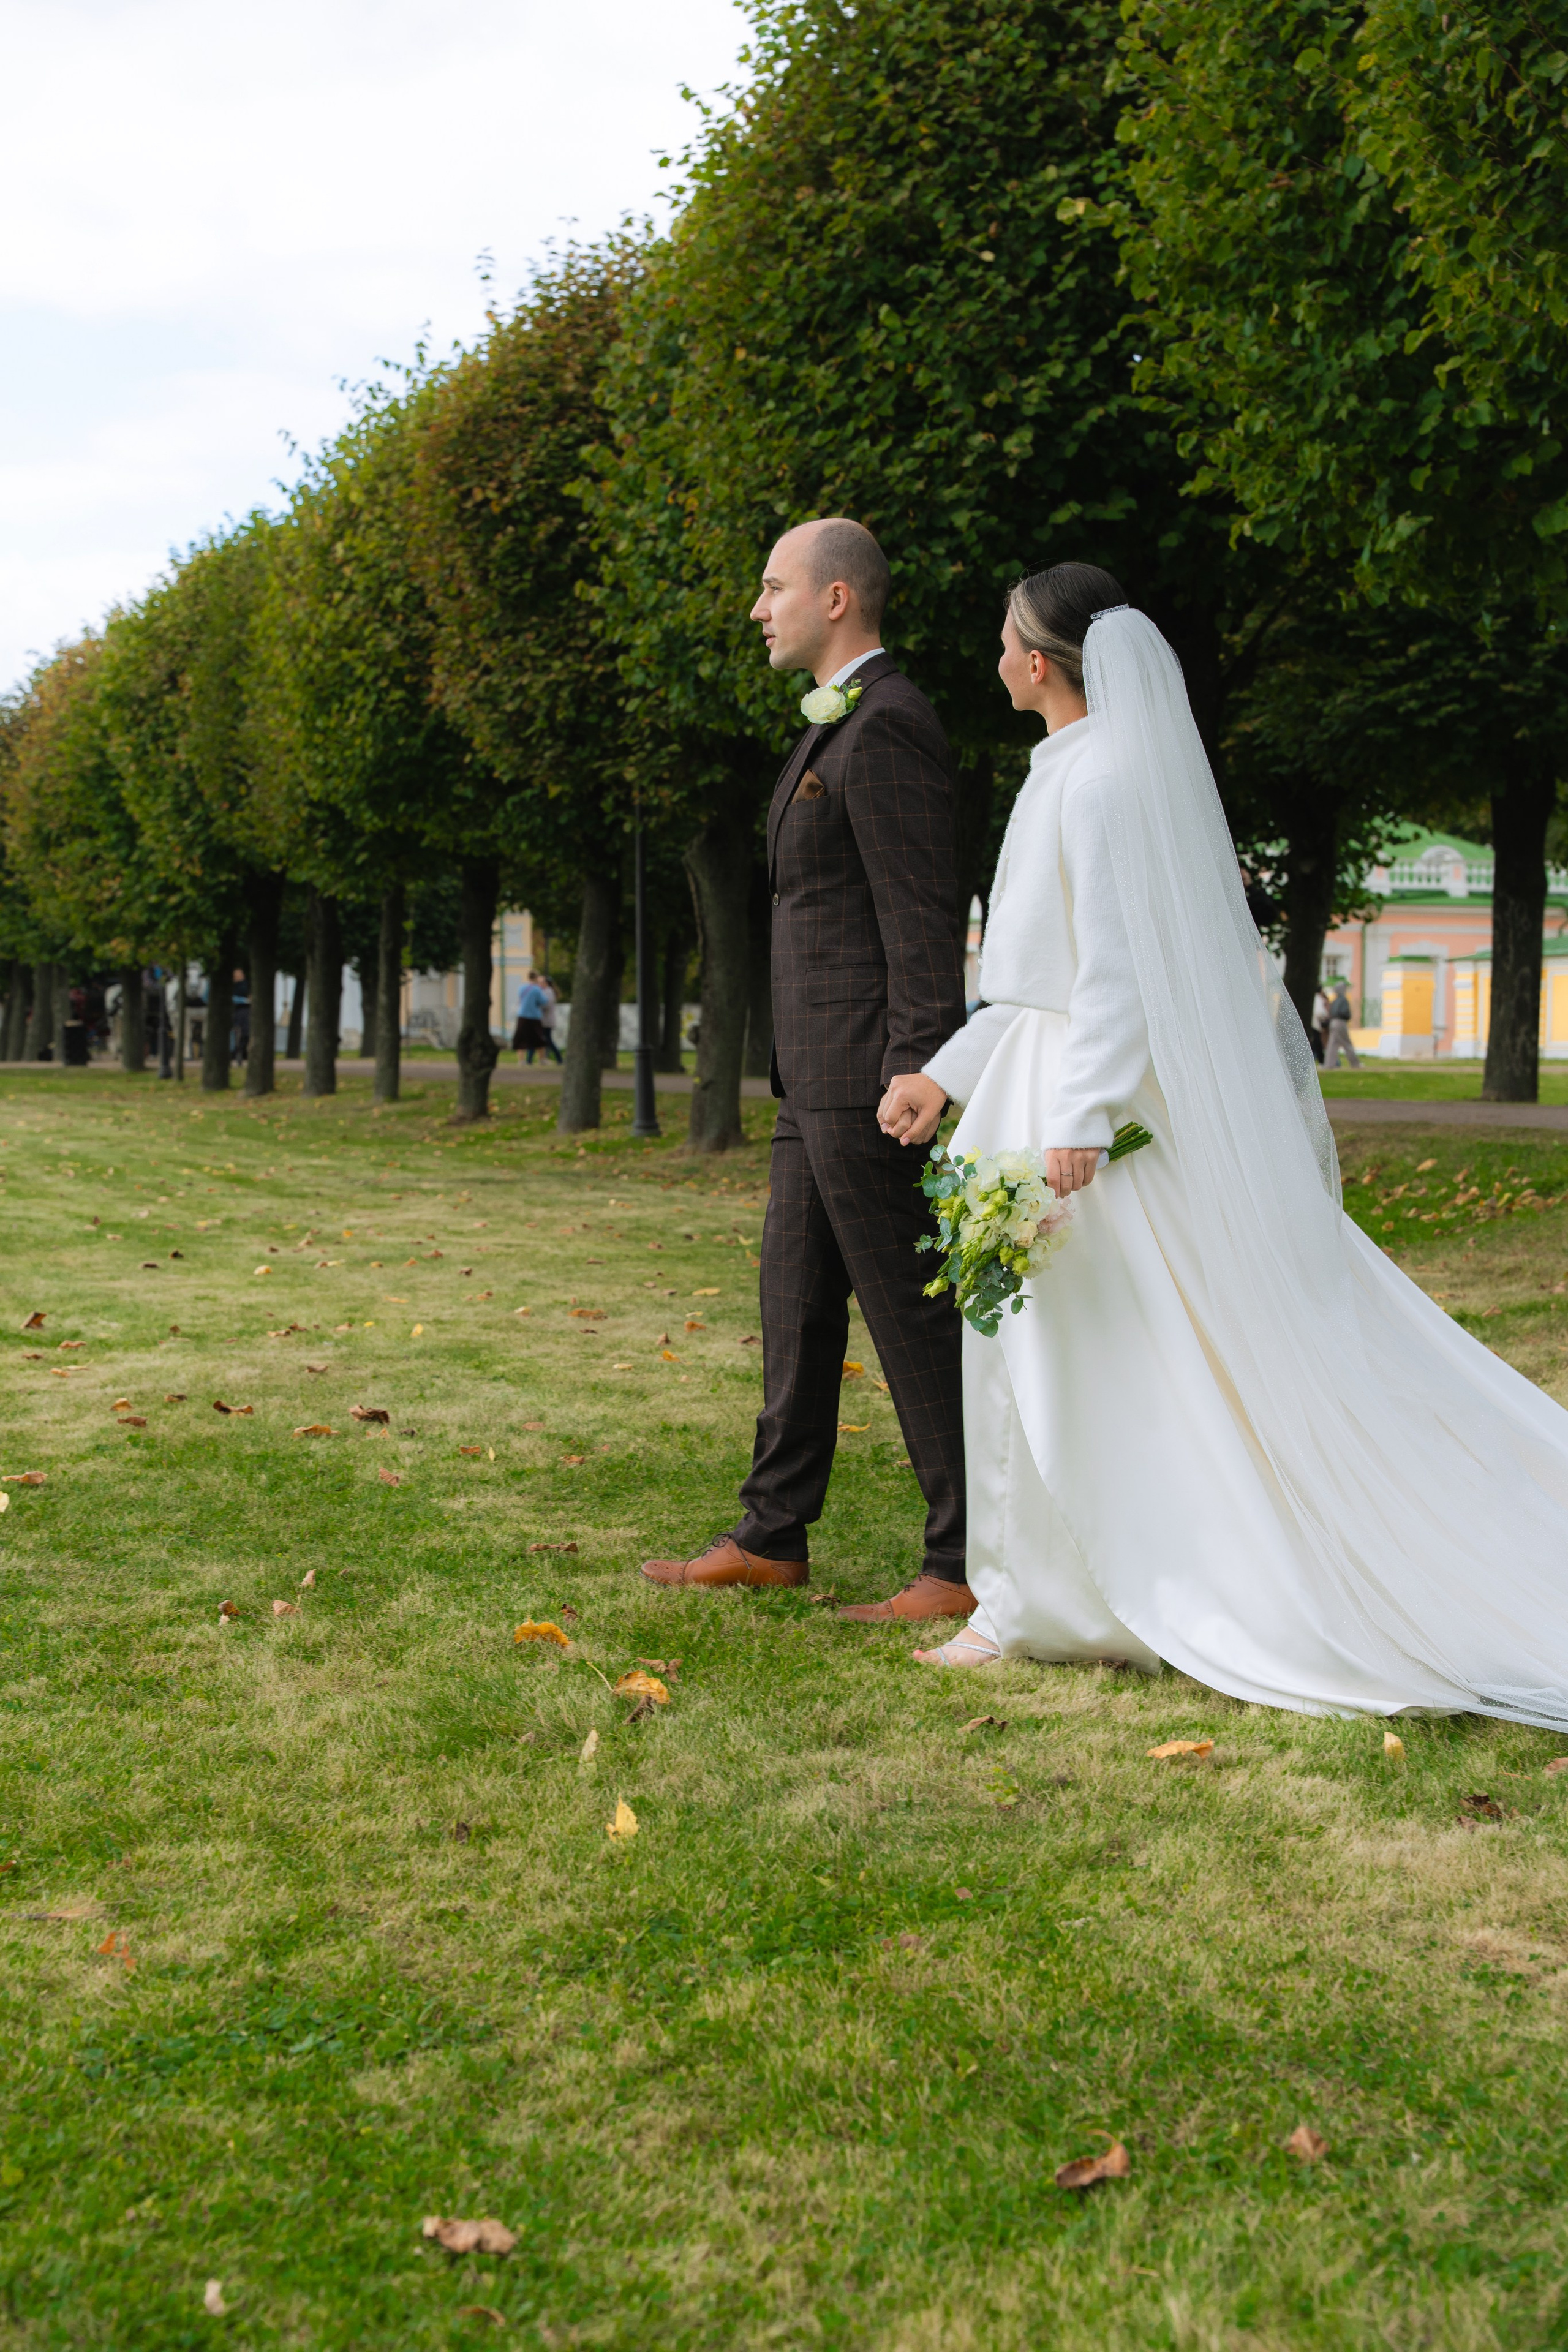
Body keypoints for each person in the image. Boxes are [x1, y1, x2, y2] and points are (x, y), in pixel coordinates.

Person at [874, 562, 1568, 1730]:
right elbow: (1031, 986)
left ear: (1040, 662)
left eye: (1005, 640)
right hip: (1033, 1081)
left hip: (1073, 1112)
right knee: (1040, 1351)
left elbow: (1115, 975)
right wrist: (946, 1078)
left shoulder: (1098, 784)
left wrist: (1079, 1120)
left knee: (1079, 1353)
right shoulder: (1069, 769)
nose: (996, 658)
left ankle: (1056, 1601)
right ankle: (1029, 1596)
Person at [639, 516, 974, 1622]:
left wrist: (915, 1065)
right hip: (809, 1078)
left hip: (868, 1081)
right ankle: (772, 1534)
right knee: (794, 1306)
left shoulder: (889, 727)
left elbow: (919, 911)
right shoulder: (834, 730)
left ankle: (960, 1560)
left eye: (773, 586)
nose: (757, 607)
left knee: (909, 1317)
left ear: (838, 599)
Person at [1323, 984, 1360, 1069]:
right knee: (1347, 1043)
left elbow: (1331, 1012)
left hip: (1333, 1023)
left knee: (1333, 1044)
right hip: (1340, 1023)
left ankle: (1329, 1064)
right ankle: (1355, 1063)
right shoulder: (1343, 1000)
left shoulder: (1335, 1001)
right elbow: (1344, 1013)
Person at [513, 972, 546, 1064]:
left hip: (522, 1015)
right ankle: (542, 1059)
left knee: (521, 1038)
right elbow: (543, 1001)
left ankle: (521, 1060)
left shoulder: (522, 988)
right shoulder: (537, 989)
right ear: (536, 978)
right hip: (534, 1016)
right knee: (539, 1037)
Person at [537, 973, 563, 1063]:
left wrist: (537, 1006)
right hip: (545, 1020)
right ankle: (558, 1058)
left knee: (547, 1040)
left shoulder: (548, 992)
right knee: (542, 1039)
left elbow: (546, 1005)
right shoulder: (547, 991)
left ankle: (559, 1058)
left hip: (546, 1021)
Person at [1310, 984, 1330, 1064]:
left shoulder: (1315, 998)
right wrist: (1325, 1015)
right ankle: (1322, 1060)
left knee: (1316, 1043)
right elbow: (1319, 1012)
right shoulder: (1319, 999)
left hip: (1314, 1023)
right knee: (1317, 1043)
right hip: (1316, 1024)